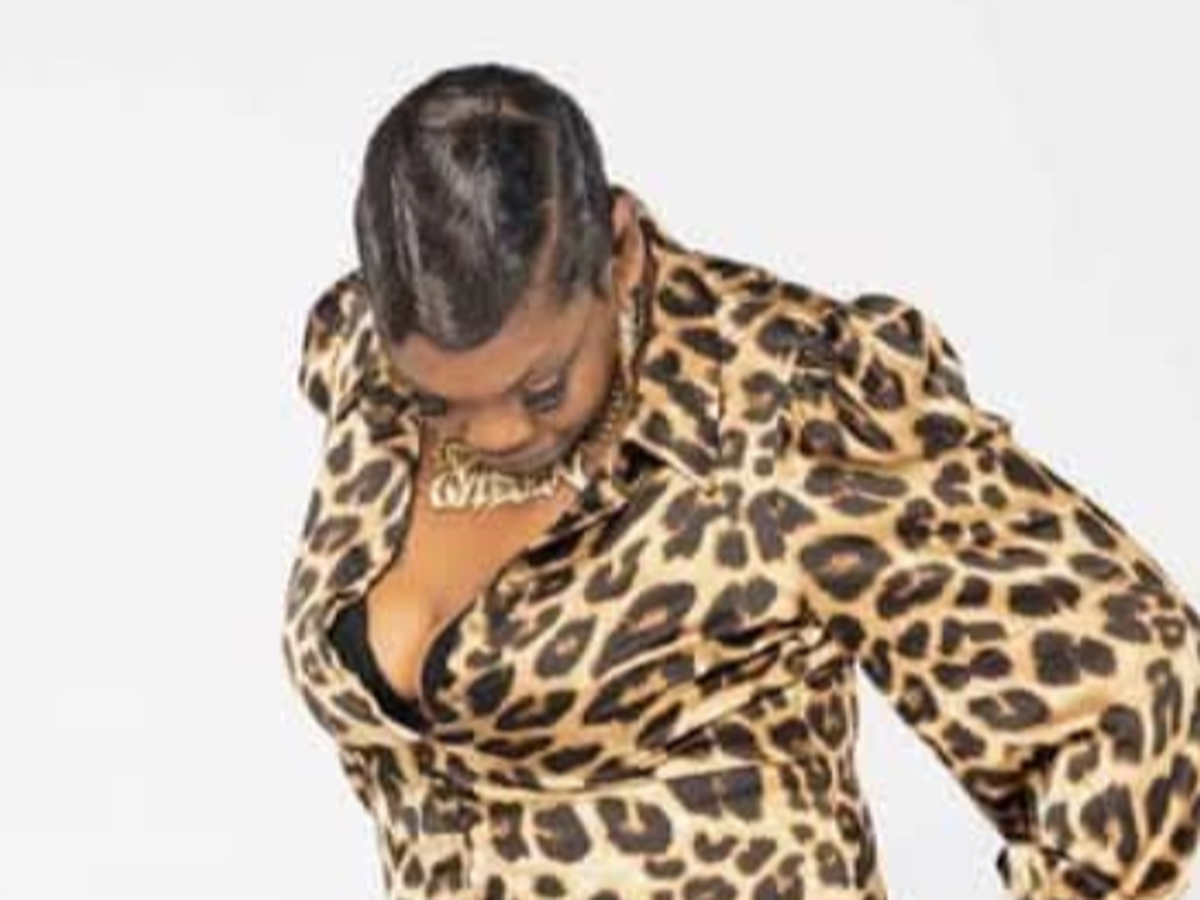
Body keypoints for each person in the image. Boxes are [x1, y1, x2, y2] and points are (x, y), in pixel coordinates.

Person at [281, 62, 1200, 900]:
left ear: (619, 252)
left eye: (543, 386)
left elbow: (1143, 684)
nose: (498, 433)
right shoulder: (368, 367)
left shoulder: (785, 405)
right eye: (443, 402)